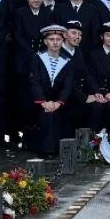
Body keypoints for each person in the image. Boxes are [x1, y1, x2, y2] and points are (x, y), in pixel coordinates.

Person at [29, 24, 75, 156]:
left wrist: (58, 102)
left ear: (63, 41)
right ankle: (46, 149)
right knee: (46, 115)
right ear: (45, 41)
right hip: (41, 101)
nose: (55, 42)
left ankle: (60, 148)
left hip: (59, 102)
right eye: (51, 39)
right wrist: (43, 102)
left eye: (58, 39)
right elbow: (35, 82)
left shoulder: (68, 60)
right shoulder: (37, 57)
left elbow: (68, 85)